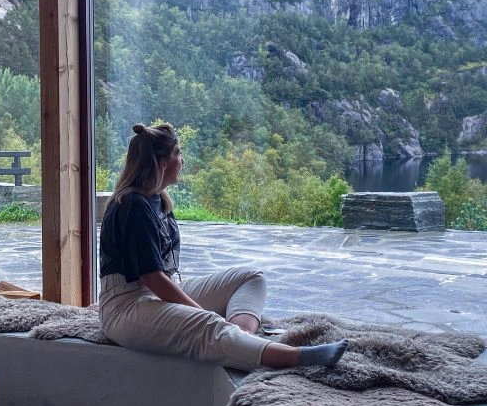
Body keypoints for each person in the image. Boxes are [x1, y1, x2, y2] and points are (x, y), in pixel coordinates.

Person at [98, 122, 348, 372]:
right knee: (206, 324)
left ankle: (240, 338)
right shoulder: (133, 205)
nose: (182, 160)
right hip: (126, 305)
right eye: (178, 153)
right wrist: (202, 314)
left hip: (156, 292)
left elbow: (162, 281)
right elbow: (153, 278)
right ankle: (291, 357)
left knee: (251, 278)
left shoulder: (158, 199)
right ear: (161, 162)